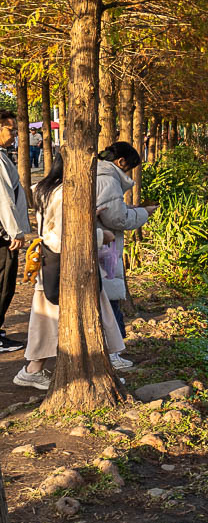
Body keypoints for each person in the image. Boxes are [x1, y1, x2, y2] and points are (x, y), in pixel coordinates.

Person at [14, 152, 128, 389]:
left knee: (50, 318)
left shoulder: (46, 188)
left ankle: (34, 369)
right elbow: (67, 233)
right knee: (87, 313)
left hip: (51, 260)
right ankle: (92, 370)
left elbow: (54, 226)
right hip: (68, 263)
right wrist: (101, 235)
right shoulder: (66, 192)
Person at [96, 142, 157, 352]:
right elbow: (118, 219)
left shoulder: (97, 173)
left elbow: (109, 209)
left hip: (99, 243)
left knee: (105, 297)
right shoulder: (109, 180)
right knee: (109, 298)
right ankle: (114, 351)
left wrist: (127, 208)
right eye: (128, 168)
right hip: (104, 248)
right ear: (121, 162)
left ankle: (113, 348)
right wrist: (144, 214)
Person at [0, 112, 31, 352]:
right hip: (3, 235)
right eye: (11, 130)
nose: (15, 135)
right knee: (4, 283)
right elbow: (4, 199)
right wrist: (16, 231)